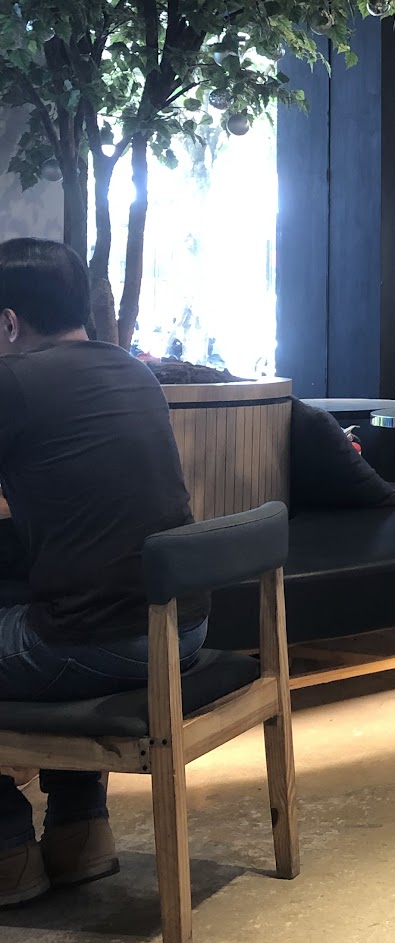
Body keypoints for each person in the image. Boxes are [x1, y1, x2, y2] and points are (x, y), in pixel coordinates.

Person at [0, 238, 207, 907]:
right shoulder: (132, 371)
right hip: (182, 628)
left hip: (103, 642)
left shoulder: (15, 381)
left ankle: (7, 850)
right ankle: (80, 831)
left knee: (57, 616)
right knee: (49, 596)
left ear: (9, 322)